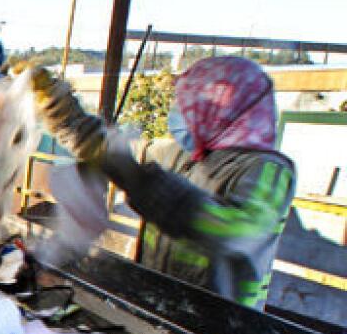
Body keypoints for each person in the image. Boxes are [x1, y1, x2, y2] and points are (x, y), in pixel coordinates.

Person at [34, 56, 295, 308]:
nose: (180, 112)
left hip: (221, 326)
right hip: (162, 303)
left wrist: (146, 185)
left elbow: (235, 232)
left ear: (223, 109)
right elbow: (104, 150)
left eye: (188, 103)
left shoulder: (268, 170)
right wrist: (60, 109)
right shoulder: (178, 153)